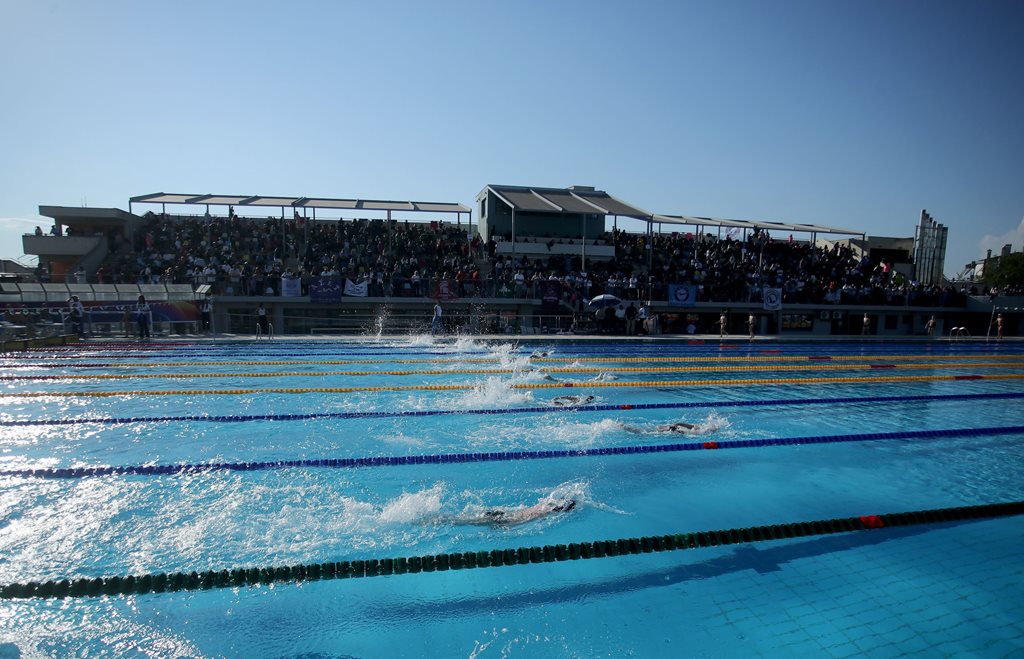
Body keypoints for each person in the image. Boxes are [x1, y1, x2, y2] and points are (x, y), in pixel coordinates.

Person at [454, 497, 577, 526]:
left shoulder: (545, 505)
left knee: (469, 520)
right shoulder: (548, 510)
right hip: (507, 519)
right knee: (468, 522)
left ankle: (448, 519)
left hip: (507, 515)